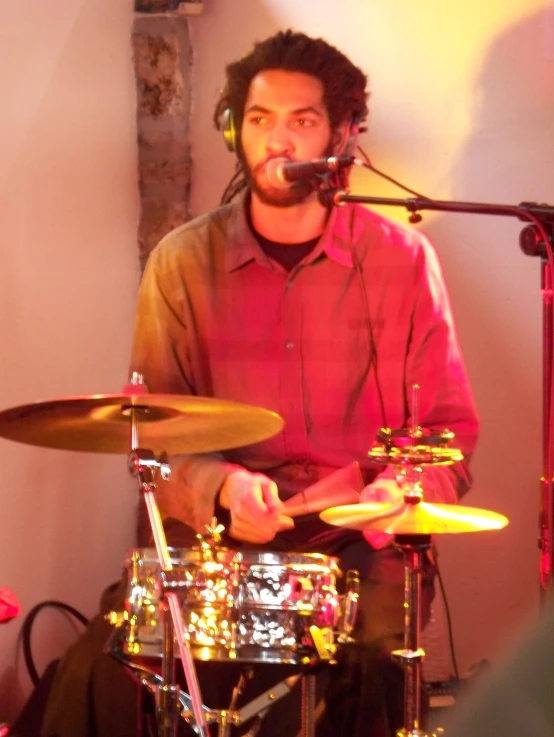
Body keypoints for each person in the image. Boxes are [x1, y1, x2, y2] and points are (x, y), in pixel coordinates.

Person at [41, 29, 478, 737]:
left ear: (342, 137)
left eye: (302, 121)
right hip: (224, 541)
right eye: (259, 119)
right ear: (231, 130)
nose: (278, 141)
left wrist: (401, 490)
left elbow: (449, 434)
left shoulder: (402, 261)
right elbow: (150, 435)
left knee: (368, 666)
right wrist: (218, 488)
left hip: (357, 547)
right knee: (100, 665)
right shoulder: (182, 263)